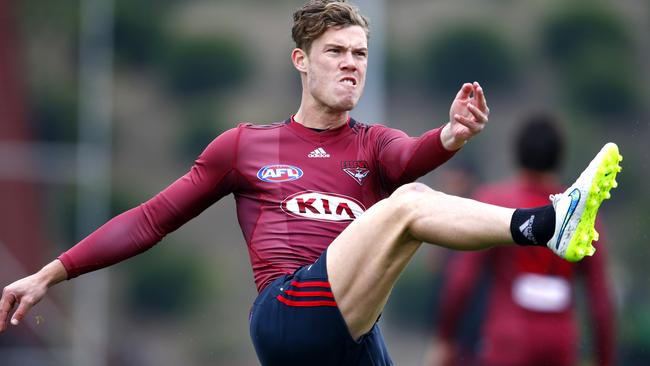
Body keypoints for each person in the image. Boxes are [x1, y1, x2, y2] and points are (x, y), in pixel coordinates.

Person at [0, 1, 622, 365]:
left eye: (359, 53)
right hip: (287, 316)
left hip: (353, 335)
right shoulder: (245, 146)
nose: (350, 64)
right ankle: (544, 223)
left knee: (407, 201)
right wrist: (50, 272)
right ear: (301, 59)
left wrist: (453, 137)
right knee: (406, 207)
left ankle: (548, 224)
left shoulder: (373, 145)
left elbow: (409, 157)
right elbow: (150, 219)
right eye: (335, 52)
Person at [431, 113, 616, 366]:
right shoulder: (582, 213)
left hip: (507, 342)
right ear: (558, 157)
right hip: (560, 345)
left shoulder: (495, 201)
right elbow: (601, 300)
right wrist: (605, 358)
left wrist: (445, 340)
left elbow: (461, 282)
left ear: (517, 153)